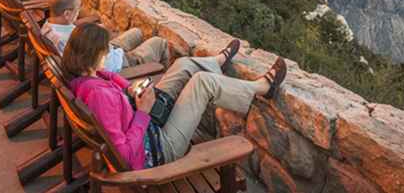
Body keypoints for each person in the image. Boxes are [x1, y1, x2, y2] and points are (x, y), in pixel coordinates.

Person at [64, 23, 287, 170]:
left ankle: (216, 62)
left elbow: (109, 75)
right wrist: (143, 112)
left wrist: (130, 89)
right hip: (158, 148)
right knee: (202, 83)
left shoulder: (84, 77)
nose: (109, 54)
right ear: (94, 55)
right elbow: (124, 154)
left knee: (182, 65)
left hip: (145, 123)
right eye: (106, 51)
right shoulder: (99, 97)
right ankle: (261, 88)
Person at [43, 0, 170, 72]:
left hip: (103, 49)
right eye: (77, 9)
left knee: (137, 32)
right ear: (66, 14)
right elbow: (99, 66)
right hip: (116, 63)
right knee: (159, 42)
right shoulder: (67, 40)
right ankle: (158, 80)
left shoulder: (48, 28)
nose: (79, 12)